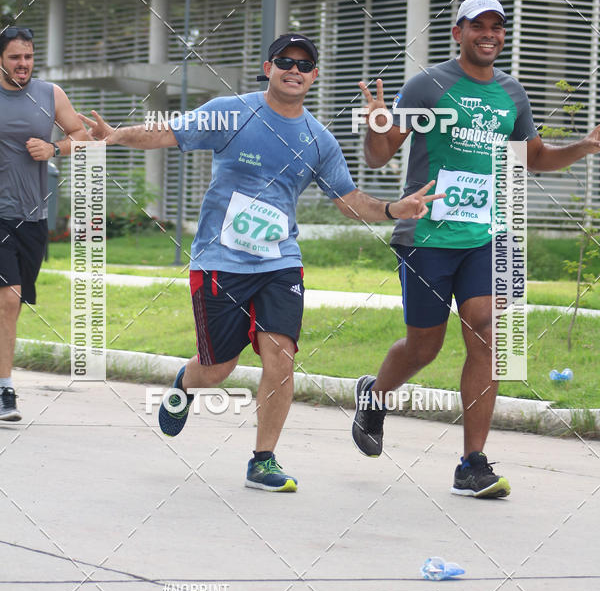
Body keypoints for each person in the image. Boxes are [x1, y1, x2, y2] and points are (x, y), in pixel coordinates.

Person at [80, 33, 442, 492]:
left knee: (281, 358)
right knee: (217, 369)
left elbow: (347, 199)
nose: (294, 69)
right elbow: (168, 132)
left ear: (314, 76)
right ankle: (186, 384)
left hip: (280, 263)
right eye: (285, 61)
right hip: (220, 260)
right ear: (268, 67)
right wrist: (115, 135)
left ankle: (263, 459)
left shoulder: (318, 139)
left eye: (304, 64)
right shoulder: (230, 112)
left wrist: (395, 208)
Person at [353, 0, 600, 498]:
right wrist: (377, 124)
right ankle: (375, 397)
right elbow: (380, 159)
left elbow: (534, 159)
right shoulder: (428, 85)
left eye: (497, 26)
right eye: (477, 26)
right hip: (426, 235)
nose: (489, 34)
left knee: (488, 335)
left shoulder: (513, 93)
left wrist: (585, 146)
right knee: (425, 345)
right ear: (458, 33)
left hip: (491, 235)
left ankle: (472, 463)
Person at [0, 26, 90, 422]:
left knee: (12, 306)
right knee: (8, 299)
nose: (23, 64)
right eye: (15, 57)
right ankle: (5, 392)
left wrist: (55, 148)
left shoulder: (49, 95)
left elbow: (83, 137)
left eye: (29, 57)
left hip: (32, 217)